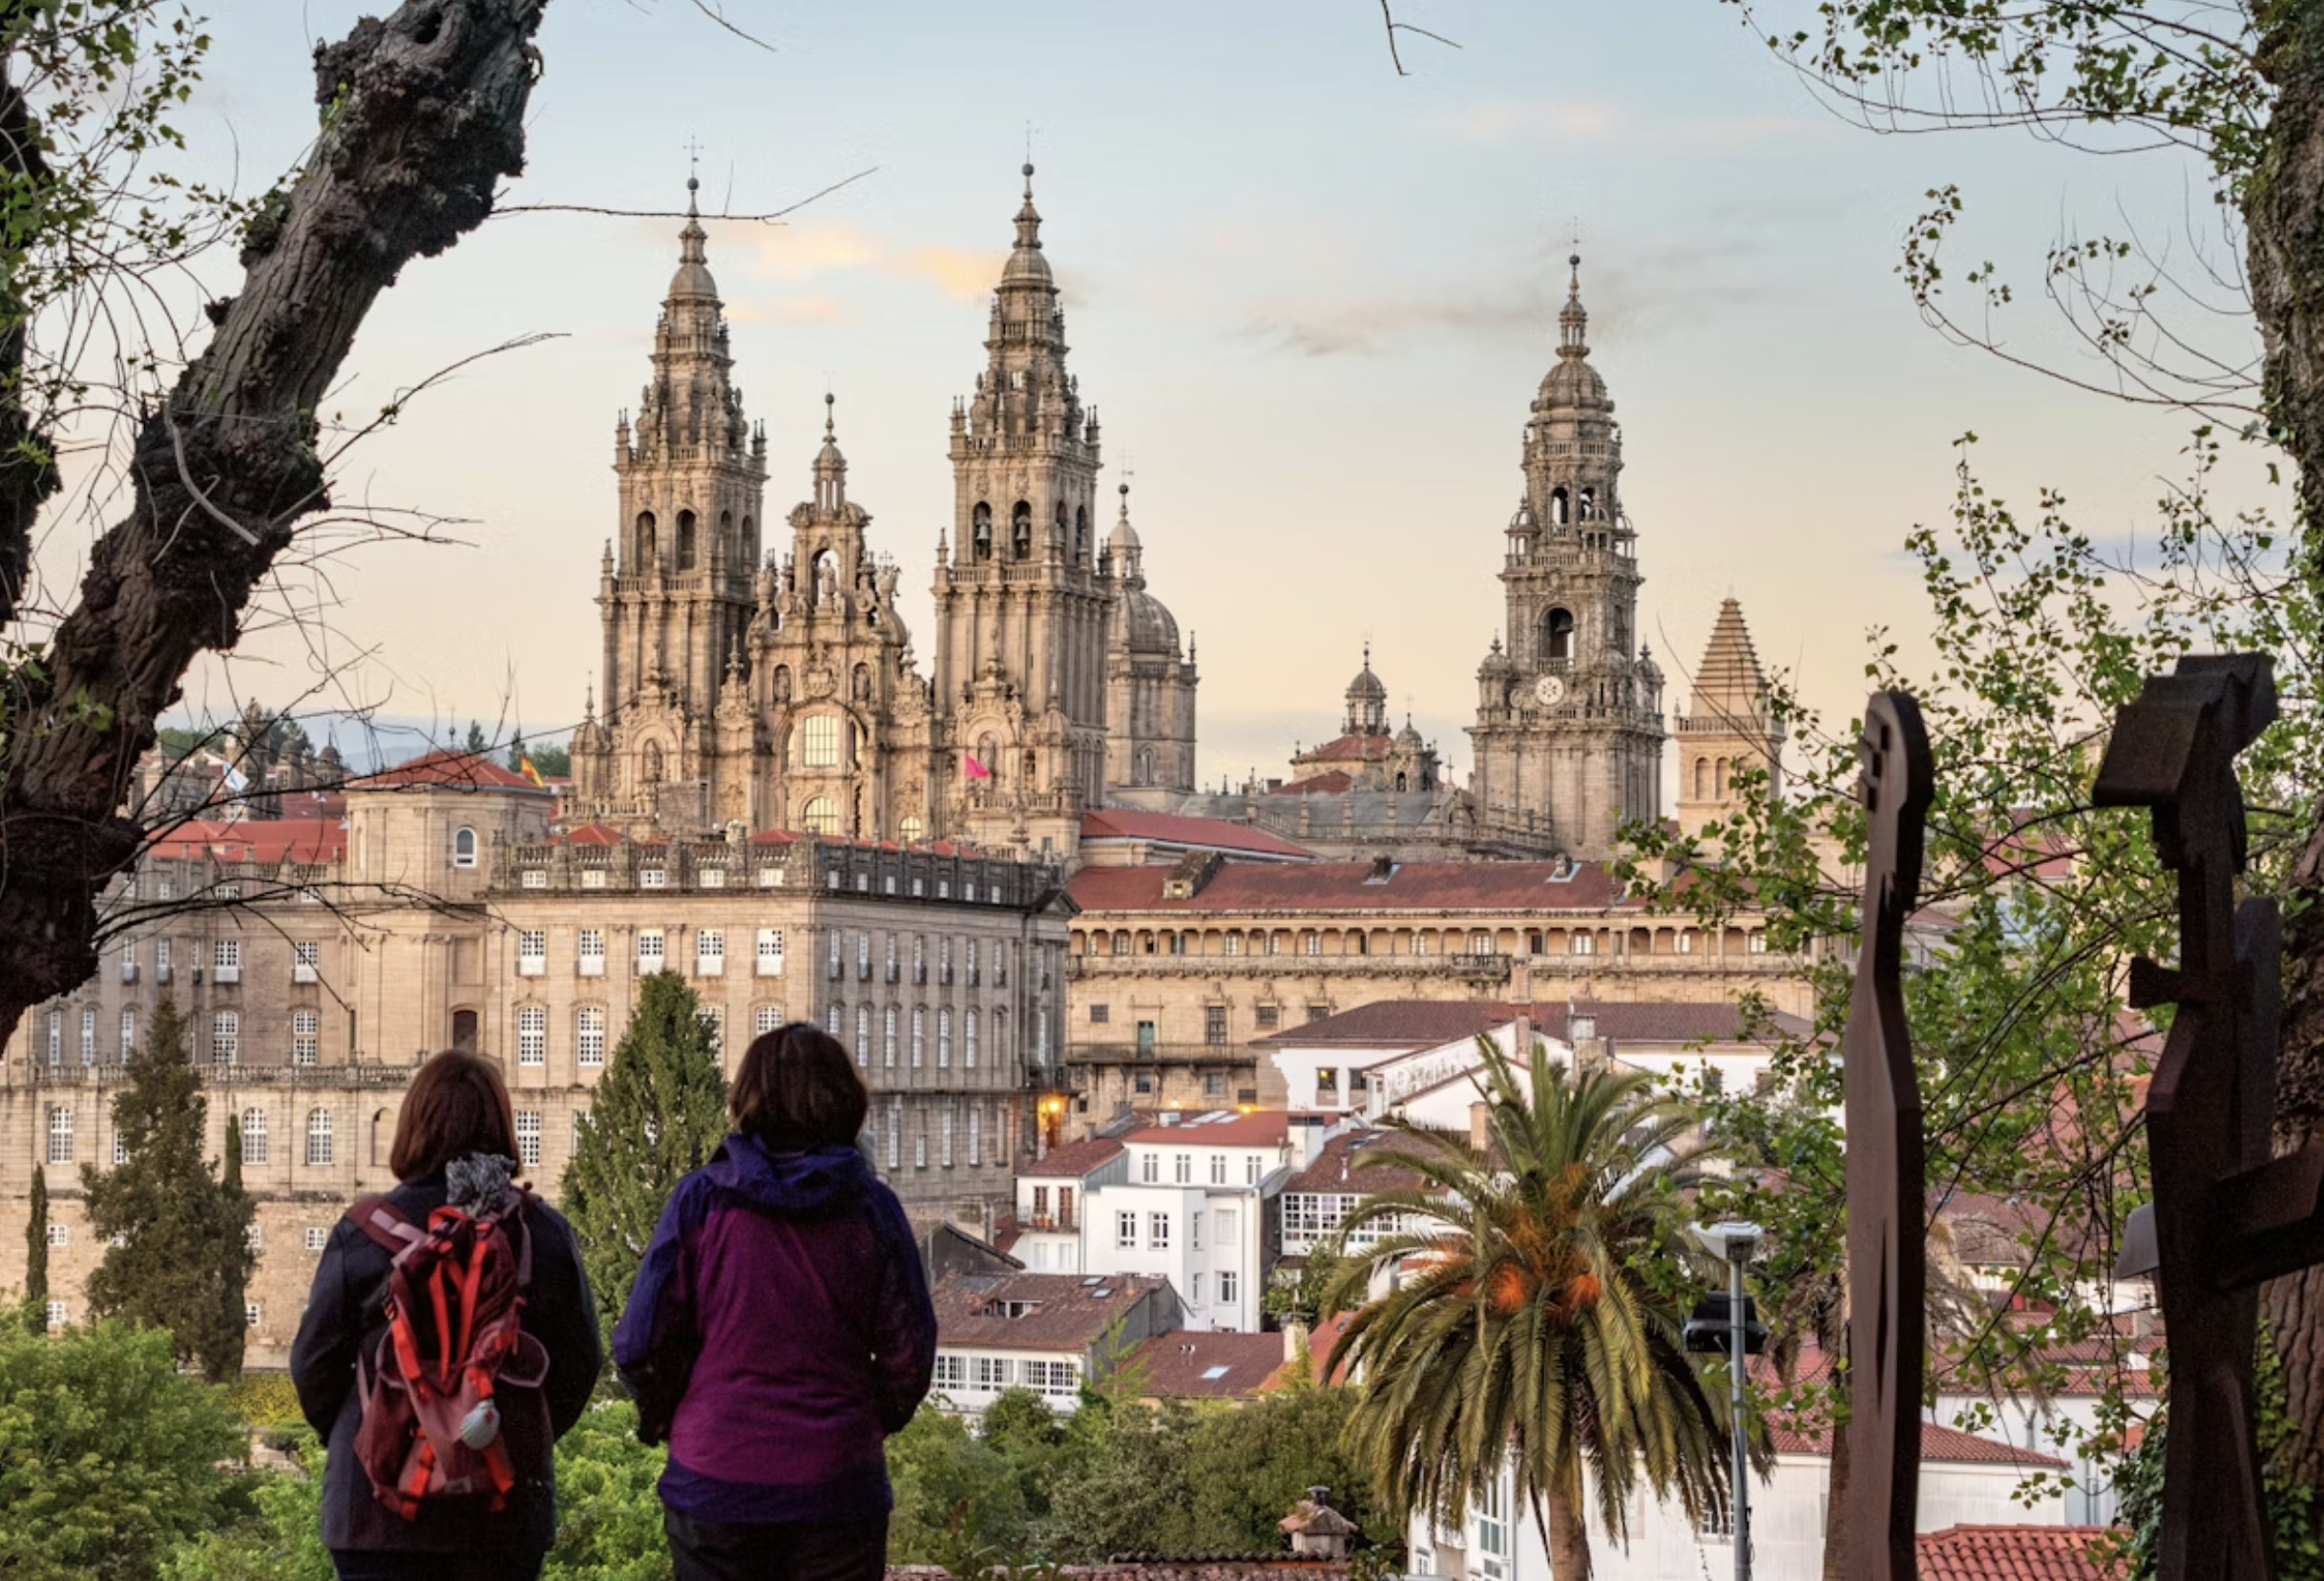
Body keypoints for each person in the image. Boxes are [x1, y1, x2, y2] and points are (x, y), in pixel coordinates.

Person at [617, 1023, 936, 1581]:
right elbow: (909, 1352)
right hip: (837, 1484)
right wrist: (859, 1422)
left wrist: (679, 1418)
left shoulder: (702, 1202)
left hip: (715, 1478)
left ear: (746, 1098)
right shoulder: (872, 1210)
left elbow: (640, 1341)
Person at [291, 1050, 600, 1581]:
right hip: (503, 1513)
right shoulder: (542, 1234)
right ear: (503, 1126)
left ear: (412, 1124)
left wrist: (365, 1435)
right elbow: (579, 1366)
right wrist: (514, 1433)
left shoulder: (362, 1233)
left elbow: (313, 1367)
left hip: (375, 1511)